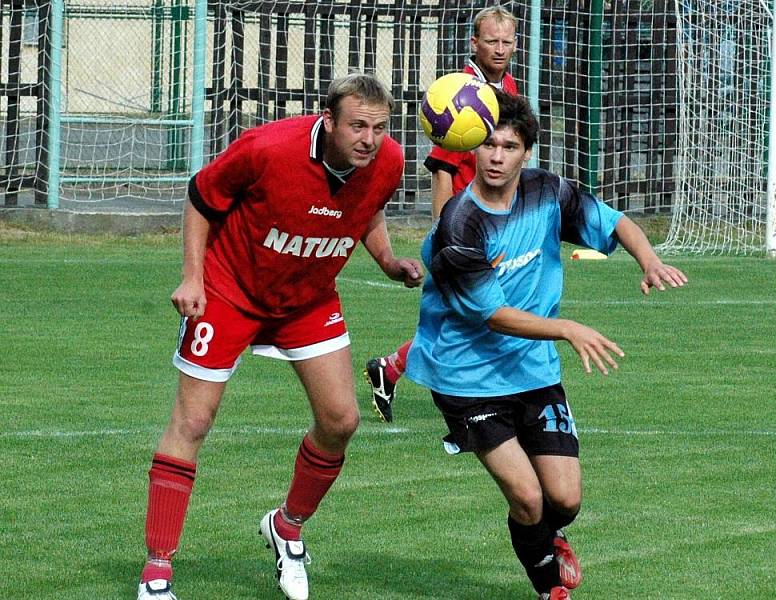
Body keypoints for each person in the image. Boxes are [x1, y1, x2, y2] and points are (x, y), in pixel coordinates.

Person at [136, 73, 424, 600]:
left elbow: (370, 206)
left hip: (308, 298)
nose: (369, 138)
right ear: (328, 120)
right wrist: (192, 277)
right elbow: (202, 197)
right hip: (230, 291)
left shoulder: (388, 162)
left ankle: (287, 526)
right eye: (357, 126)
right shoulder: (268, 148)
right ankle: (157, 573)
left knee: (341, 420)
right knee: (193, 421)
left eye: (379, 128)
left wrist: (386, 259)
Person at [404, 92, 687, 599]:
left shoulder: (548, 192)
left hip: (533, 370)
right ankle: (549, 585)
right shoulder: (458, 226)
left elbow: (614, 220)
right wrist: (568, 329)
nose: (496, 156)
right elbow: (492, 315)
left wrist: (649, 259)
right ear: (471, 147)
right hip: (467, 377)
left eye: (509, 146)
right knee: (528, 496)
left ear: (526, 153)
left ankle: (545, 537)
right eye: (488, 144)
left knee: (565, 499)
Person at [365, 5, 519, 422]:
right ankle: (471, 391)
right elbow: (443, 168)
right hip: (463, 222)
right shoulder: (461, 93)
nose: (500, 49)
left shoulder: (509, 88)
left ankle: (391, 368)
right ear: (474, 43)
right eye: (491, 41)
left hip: (493, 219)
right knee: (478, 310)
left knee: (471, 311)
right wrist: (443, 232)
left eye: (507, 42)